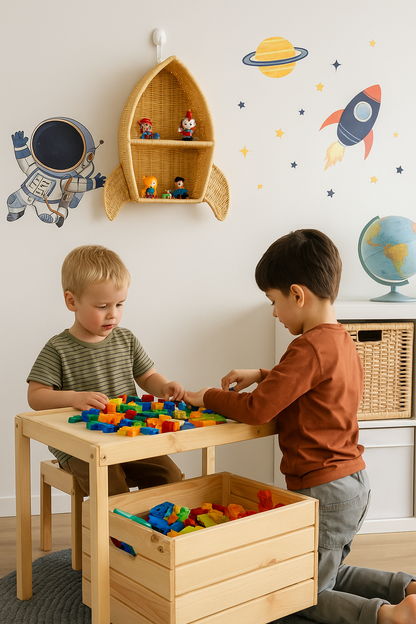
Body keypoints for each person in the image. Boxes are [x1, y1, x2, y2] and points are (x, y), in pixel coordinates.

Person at [185, 229, 416, 624]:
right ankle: (405, 588)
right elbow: (309, 385)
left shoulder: (307, 346)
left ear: (297, 294)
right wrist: (261, 372)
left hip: (324, 489)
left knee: (302, 591)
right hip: (351, 484)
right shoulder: (341, 341)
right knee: (327, 571)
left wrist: (205, 396)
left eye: (274, 302)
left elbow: (259, 409)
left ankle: (387, 617)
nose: (274, 312)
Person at [27, 244, 184, 496]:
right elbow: (36, 396)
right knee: (110, 483)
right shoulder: (58, 348)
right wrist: (75, 398)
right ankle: (118, 536)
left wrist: (164, 386)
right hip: (79, 443)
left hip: (128, 434)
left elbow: (148, 376)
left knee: (169, 475)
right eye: (102, 307)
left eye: (120, 304)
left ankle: (152, 533)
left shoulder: (126, 339)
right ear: (72, 301)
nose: (113, 315)